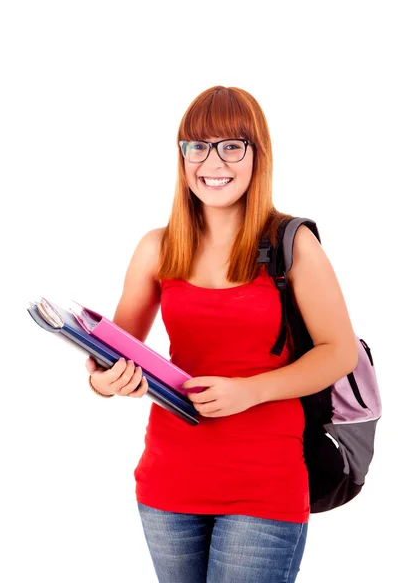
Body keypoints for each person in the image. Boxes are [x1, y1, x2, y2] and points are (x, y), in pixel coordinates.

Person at [85, 86, 358, 582]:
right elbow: (112, 352)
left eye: (232, 145)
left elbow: (339, 352)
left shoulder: (291, 244)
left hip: (264, 485)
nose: (214, 161)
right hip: (167, 483)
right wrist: (104, 382)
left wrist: (249, 391)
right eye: (198, 146)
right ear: (183, 156)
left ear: (258, 154)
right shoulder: (158, 247)